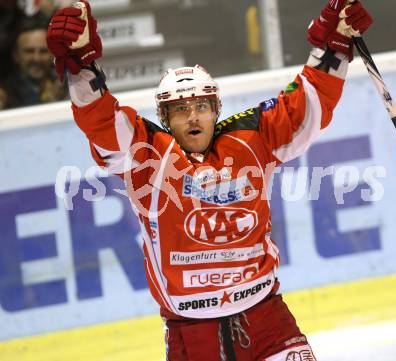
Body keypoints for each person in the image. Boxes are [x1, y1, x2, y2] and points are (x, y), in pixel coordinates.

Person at [46, 0, 372, 359]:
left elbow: (306, 106)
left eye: (201, 106)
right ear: (165, 117)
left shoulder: (252, 138)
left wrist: (332, 48)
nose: (193, 116)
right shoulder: (148, 155)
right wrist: (81, 69)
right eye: (181, 109)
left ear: (216, 109)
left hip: (266, 318)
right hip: (192, 332)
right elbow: (102, 122)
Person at [0, 13, 66, 110]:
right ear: (16, 55)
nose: (37, 58)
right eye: (29, 51)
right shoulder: (4, 95)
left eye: (43, 51)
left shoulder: (68, 86)